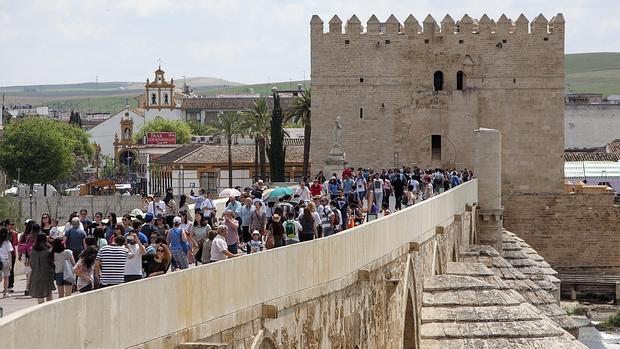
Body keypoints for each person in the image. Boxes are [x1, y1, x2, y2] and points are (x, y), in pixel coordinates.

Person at [29, 232, 54, 303]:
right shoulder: (48, 248)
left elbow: (31, 263)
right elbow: (52, 260)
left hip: (36, 273)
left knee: (39, 294)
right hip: (47, 272)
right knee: (49, 292)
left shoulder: (33, 250)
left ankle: (41, 308)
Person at [0, 228, 14, 297]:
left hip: (0, 260)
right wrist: (10, 264)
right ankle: (5, 292)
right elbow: (9, 254)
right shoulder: (7, 242)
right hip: (5, 261)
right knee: (6, 277)